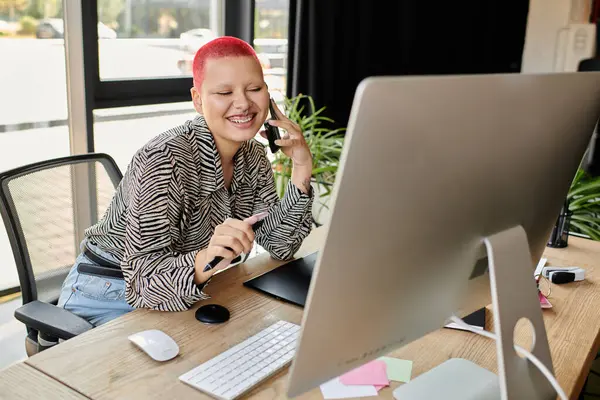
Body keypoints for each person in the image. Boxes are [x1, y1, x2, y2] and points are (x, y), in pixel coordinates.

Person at [57, 36, 315, 326]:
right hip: (107, 289)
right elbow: (144, 283)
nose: (243, 103)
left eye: (254, 89)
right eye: (224, 92)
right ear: (198, 99)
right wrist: (210, 258)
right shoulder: (162, 160)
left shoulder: (253, 156)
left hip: (186, 288)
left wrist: (302, 165)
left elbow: (279, 246)